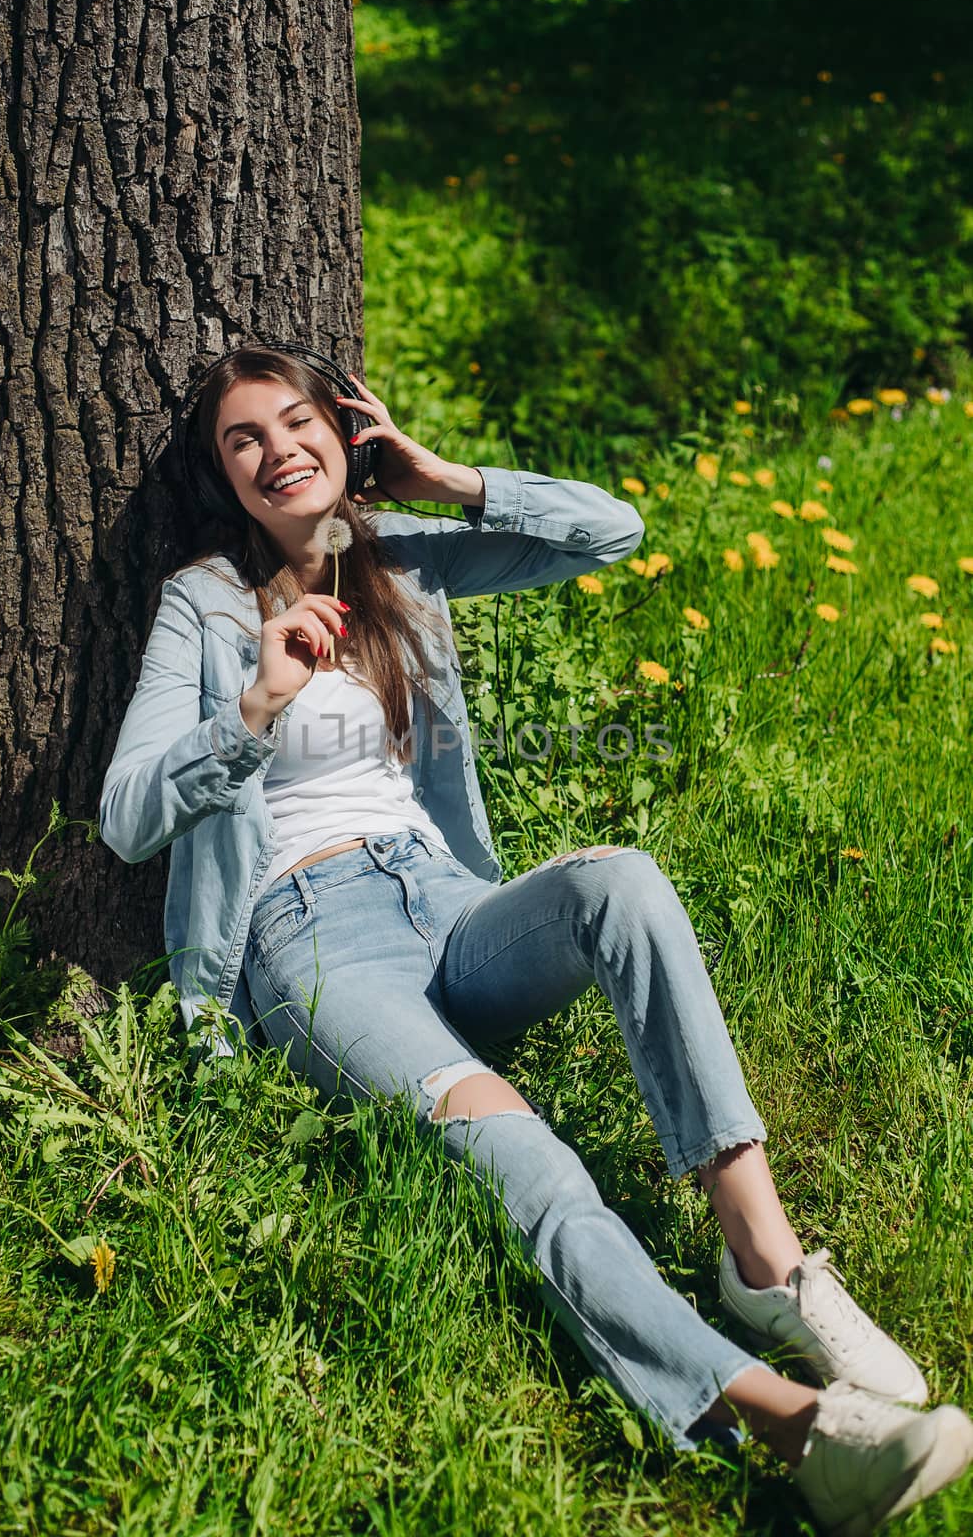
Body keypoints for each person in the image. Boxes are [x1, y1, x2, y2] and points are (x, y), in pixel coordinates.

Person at [100, 343, 973, 1533]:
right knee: (533, 1161)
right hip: (312, 942)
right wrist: (254, 706)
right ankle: (798, 1429)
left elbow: (610, 529)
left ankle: (764, 1265)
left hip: (445, 898)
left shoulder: (397, 558)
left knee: (622, 880)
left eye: (296, 421)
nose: (275, 450)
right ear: (222, 474)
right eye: (242, 439)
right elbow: (128, 814)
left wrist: (440, 476)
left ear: (340, 433)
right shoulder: (203, 603)